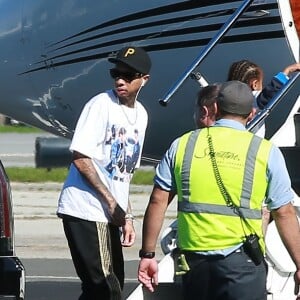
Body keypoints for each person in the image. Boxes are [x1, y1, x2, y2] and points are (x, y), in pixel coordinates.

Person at [137, 81, 300, 300]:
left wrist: (148, 254)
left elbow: (158, 200)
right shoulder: (265, 151)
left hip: (194, 261)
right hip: (242, 263)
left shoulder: (183, 144)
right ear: (251, 114)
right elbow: (284, 213)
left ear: (216, 109)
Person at [57, 46, 151, 300]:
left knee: (107, 286)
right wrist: (111, 203)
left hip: (109, 213)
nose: (120, 80)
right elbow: (80, 157)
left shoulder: (140, 116)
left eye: (128, 75)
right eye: (116, 73)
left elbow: (123, 173)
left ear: (144, 79)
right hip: (86, 209)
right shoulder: (100, 105)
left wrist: (128, 215)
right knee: (106, 288)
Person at [227, 59, 300, 136]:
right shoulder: (252, 99)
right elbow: (270, 93)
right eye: (261, 83)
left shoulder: (225, 98)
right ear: (255, 84)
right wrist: (287, 71)